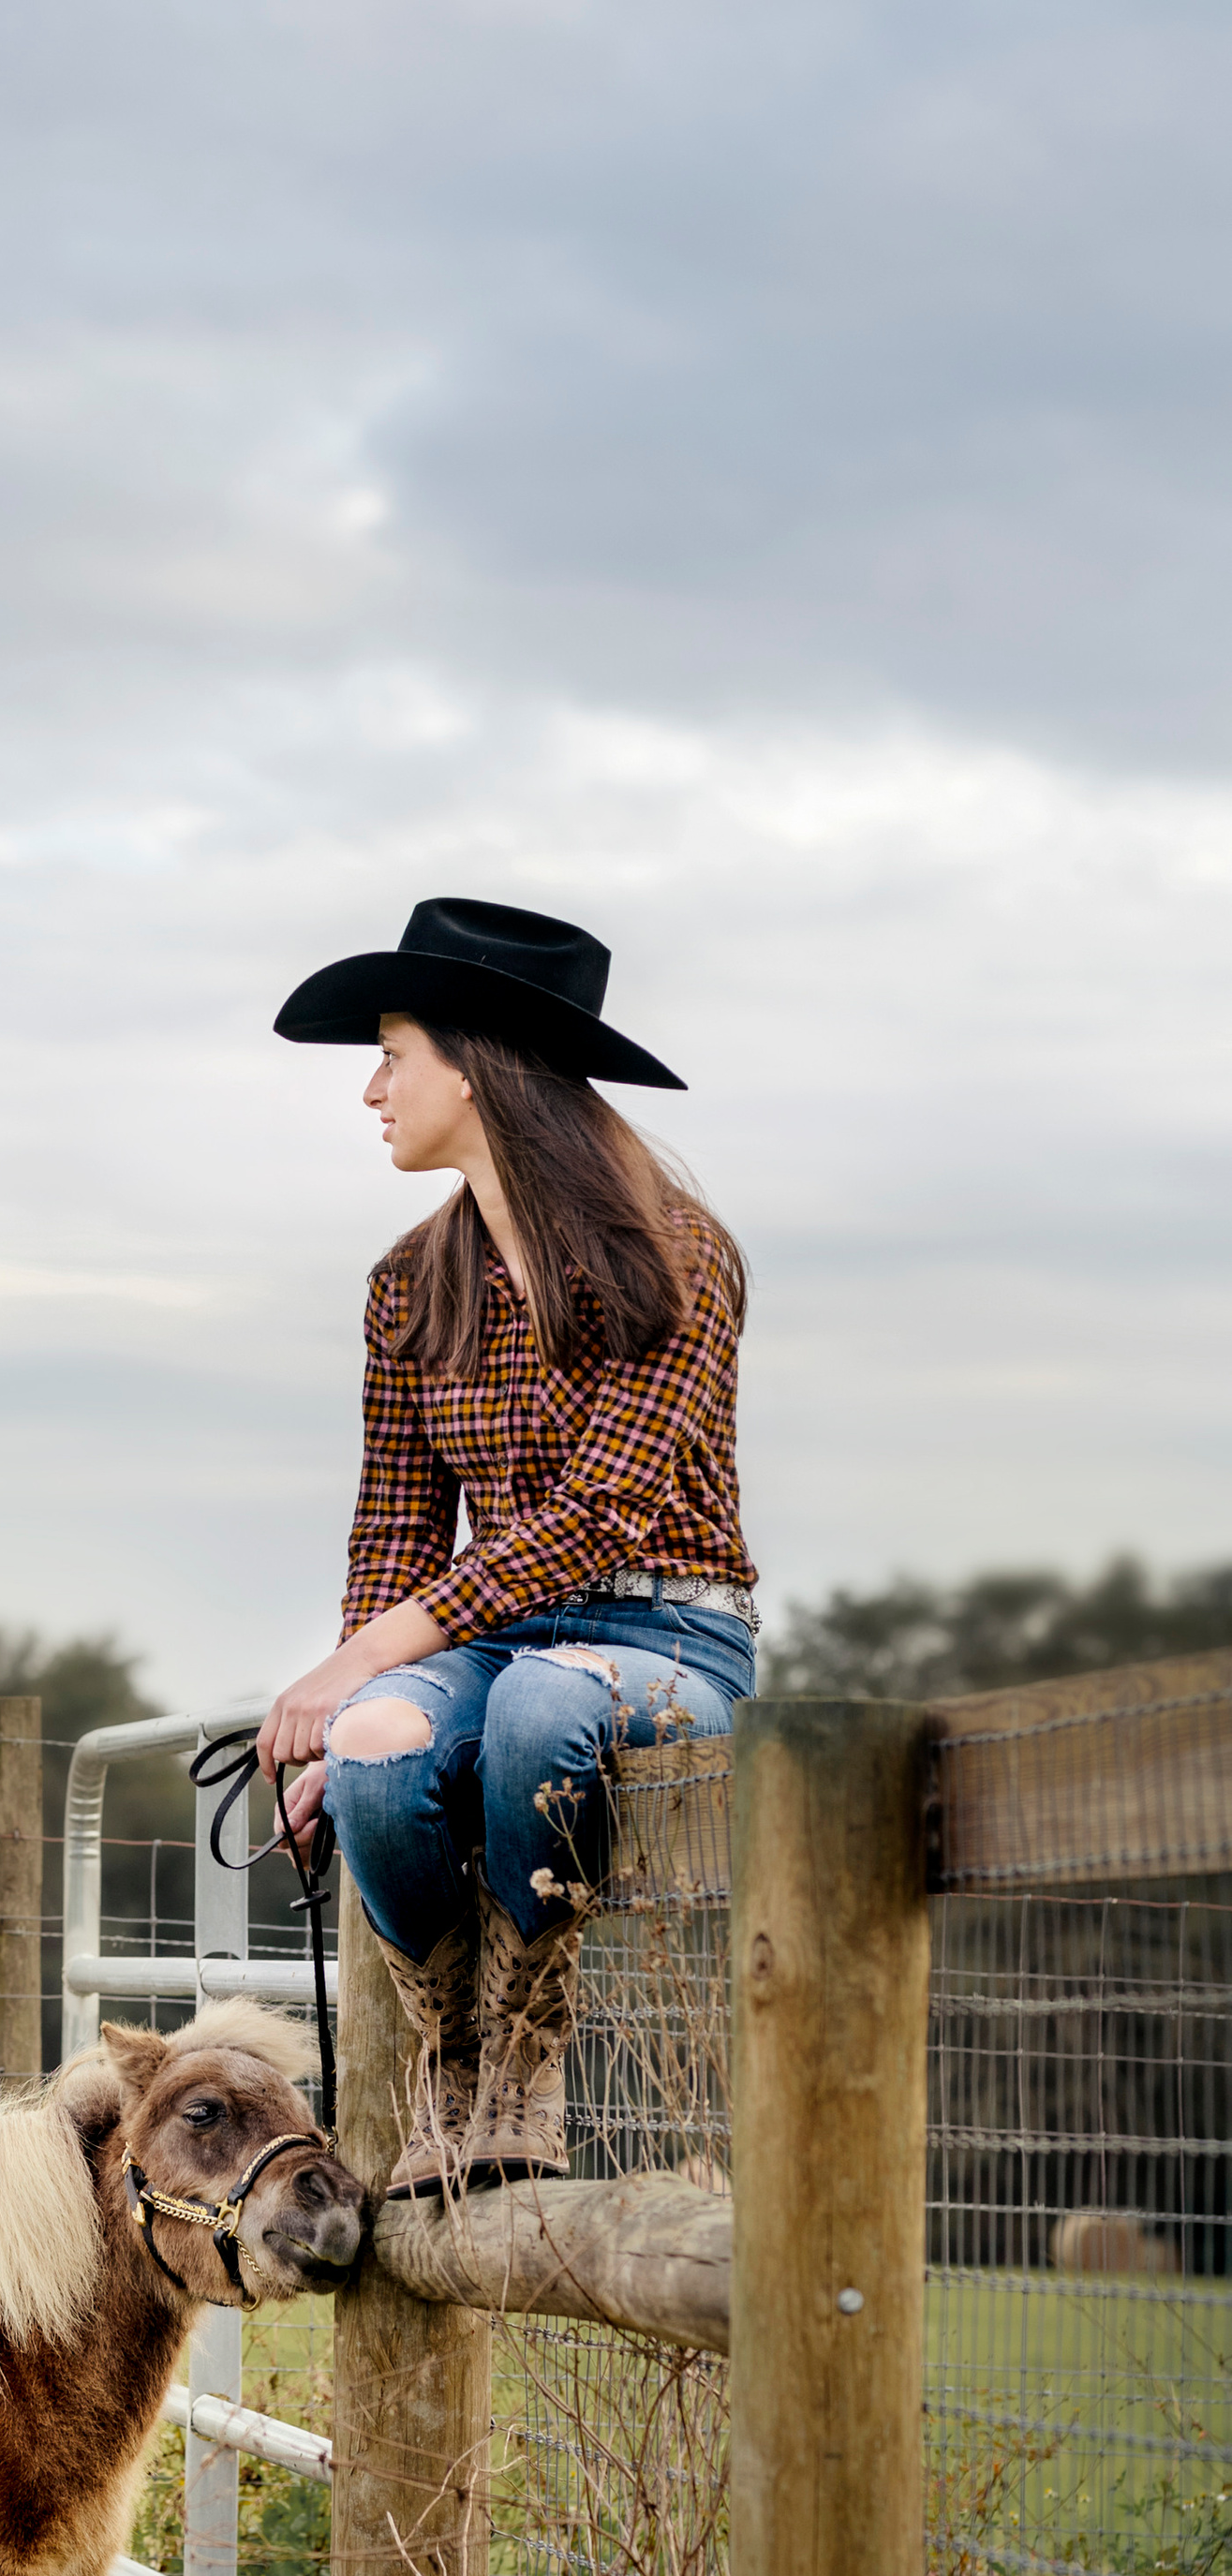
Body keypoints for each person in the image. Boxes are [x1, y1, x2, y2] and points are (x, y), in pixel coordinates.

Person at [255, 896, 756, 2196]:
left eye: (392, 1053)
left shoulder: (680, 1255)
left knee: (541, 1700)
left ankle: (529, 2071)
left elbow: (602, 1513)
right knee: (373, 1745)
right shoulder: (406, 1286)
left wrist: (361, 1653)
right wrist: (350, 1699)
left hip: (667, 1629)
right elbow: (396, 1529)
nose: (372, 1090)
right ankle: (454, 2071)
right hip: (488, 1634)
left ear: (472, 1065)